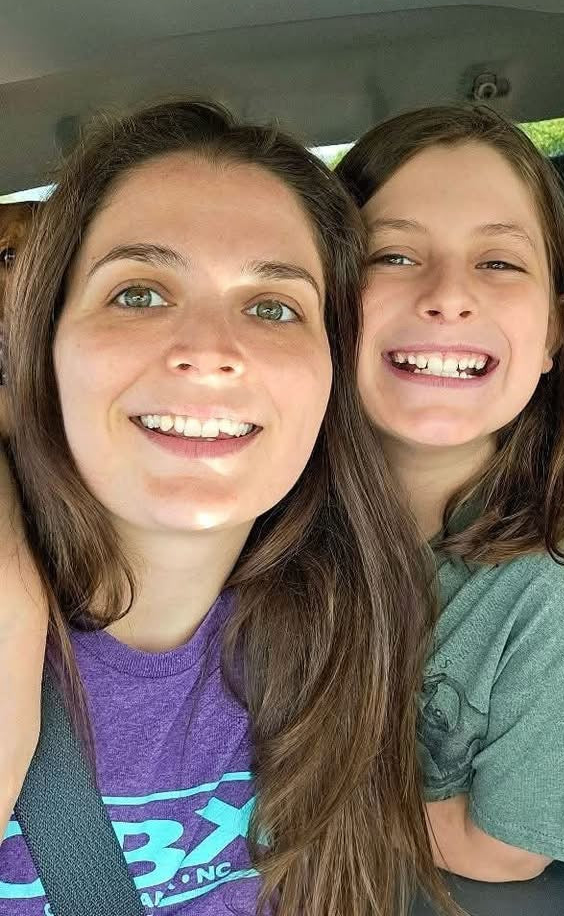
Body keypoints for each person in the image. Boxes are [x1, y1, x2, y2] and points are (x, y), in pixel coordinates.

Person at [0, 100, 450, 916]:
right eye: (139, 293)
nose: (208, 352)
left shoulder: (350, 629)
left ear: (328, 376)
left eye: (273, 307)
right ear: (47, 344)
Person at [335, 105, 564, 883]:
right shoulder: (256, 495)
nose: (448, 296)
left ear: (554, 331)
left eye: (499, 263)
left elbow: (504, 851)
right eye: (390, 256)